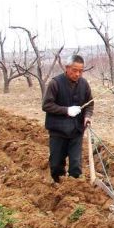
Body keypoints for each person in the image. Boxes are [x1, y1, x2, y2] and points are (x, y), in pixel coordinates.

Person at [42, 54, 94, 183]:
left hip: (76, 130)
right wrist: (66, 110)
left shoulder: (84, 84)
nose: (77, 74)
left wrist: (87, 117)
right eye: (74, 70)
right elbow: (46, 105)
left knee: (76, 165)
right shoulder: (55, 83)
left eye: (81, 71)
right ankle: (58, 186)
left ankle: (74, 187)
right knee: (56, 165)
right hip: (58, 131)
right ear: (67, 68)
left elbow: (90, 103)